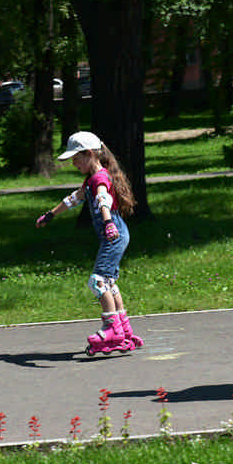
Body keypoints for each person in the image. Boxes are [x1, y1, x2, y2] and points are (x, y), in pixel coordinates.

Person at [35, 131, 144, 355]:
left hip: (113, 233)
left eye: (76, 158)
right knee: (109, 282)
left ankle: (111, 329)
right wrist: (51, 214)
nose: (73, 163)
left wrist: (107, 222)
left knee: (97, 281)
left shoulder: (99, 178)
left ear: (89, 154)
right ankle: (123, 330)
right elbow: (73, 199)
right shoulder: (90, 180)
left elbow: (104, 199)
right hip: (116, 234)